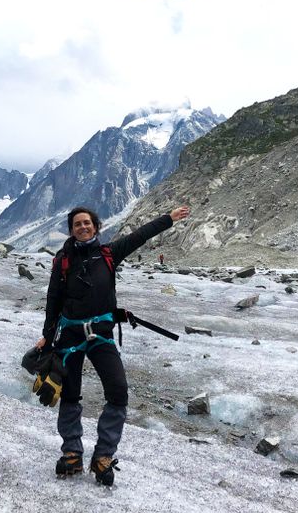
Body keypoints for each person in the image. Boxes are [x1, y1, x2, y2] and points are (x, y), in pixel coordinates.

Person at [35, 203, 189, 486]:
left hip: (101, 335)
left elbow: (140, 235)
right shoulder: (62, 260)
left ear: (96, 226)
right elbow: (53, 299)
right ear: (71, 230)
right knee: (69, 394)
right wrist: (47, 334)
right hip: (69, 337)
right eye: (77, 224)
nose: (83, 227)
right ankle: (72, 452)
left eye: (87, 223)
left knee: (118, 392)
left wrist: (169, 218)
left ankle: (103, 456)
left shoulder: (109, 253)